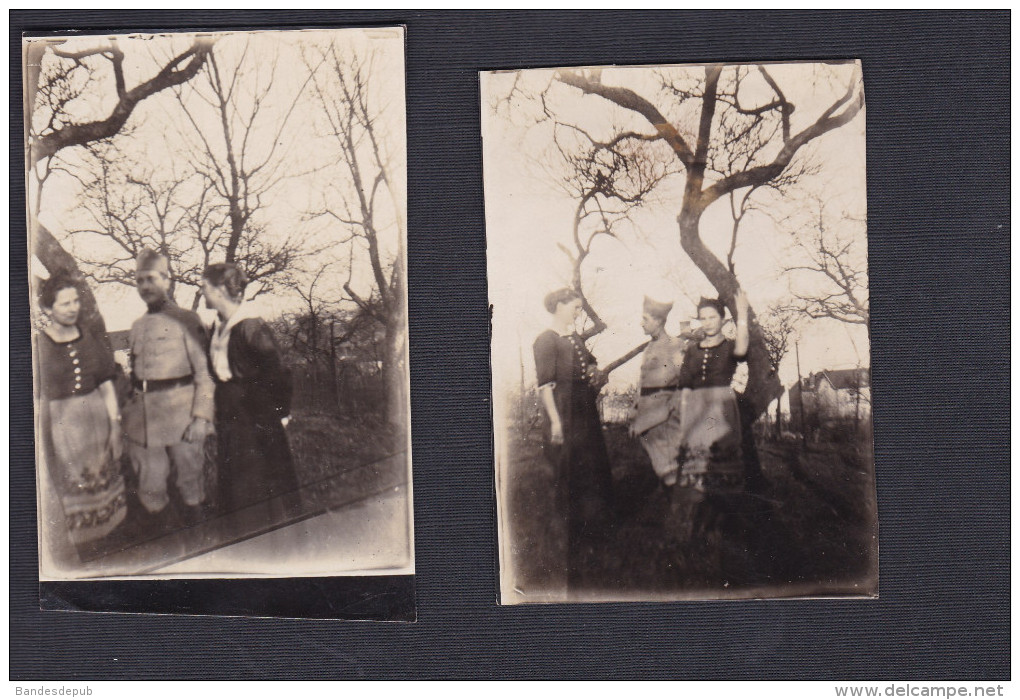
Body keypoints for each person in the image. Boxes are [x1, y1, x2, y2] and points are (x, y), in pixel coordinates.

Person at [123, 249, 215, 526]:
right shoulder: (137, 326)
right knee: (151, 482)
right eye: (139, 281)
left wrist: (201, 418)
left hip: (181, 412)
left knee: (190, 478)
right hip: (145, 418)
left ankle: (200, 537)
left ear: (167, 279)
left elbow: (205, 373)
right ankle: (164, 538)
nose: (145, 287)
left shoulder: (186, 320)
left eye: (151, 279)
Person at [35, 272, 127, 546]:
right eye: (65, 303)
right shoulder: (39, 345)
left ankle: (114, 542)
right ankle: (87, 545)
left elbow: (106, 382)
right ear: (48, 308)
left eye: (75, 301)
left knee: (106, 479)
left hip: (96, 420)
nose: (73, 307)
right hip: (64, 426)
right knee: (75, 483)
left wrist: (115, 422)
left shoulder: (89, 337)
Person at [533, 288, 613, 594]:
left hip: (584, 411)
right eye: (574, 307)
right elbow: (545, 387)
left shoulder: (574, 338)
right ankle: (564, 543)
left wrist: (596, 372)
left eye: (580, 308)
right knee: (567, 474)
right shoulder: (546, 339)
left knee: (591, 472)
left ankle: (593, 535)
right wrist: (555, 422)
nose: (577, 312)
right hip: (563, 411)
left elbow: (590, 366)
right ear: (558, 306)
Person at [201, 263, 298, 513]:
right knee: (235, 482)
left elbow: (278, 371)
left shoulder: (250, 326)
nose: (203, 293)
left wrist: (280, 414)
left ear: (220, 290)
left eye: (205, 288)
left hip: (253, 414)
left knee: (255, 482)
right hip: (230, 413)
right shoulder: (217, 326)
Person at [674, 291, 750, 493]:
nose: (707, 323)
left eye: (712, 317)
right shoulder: (692, 350)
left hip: (720, 407)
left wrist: (742, 315)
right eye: (703, 318)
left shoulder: (730, 346)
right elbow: (686, 386)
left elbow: (742, 351)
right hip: (696, 408)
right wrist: (683, 421)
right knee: (697, 472)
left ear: (722, 319)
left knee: (722, 465)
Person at [629, 296, 688, 487]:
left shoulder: (675, 345)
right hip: (647, 414)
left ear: (659, 321)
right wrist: (635, 407)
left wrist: (673, 406)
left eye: (645, 319)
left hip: (664, 414)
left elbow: (685, 379)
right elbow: (644, 382)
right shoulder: (649, 348)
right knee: (661, 470)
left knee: (670, 470)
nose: (641, 323)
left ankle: (686, 513)